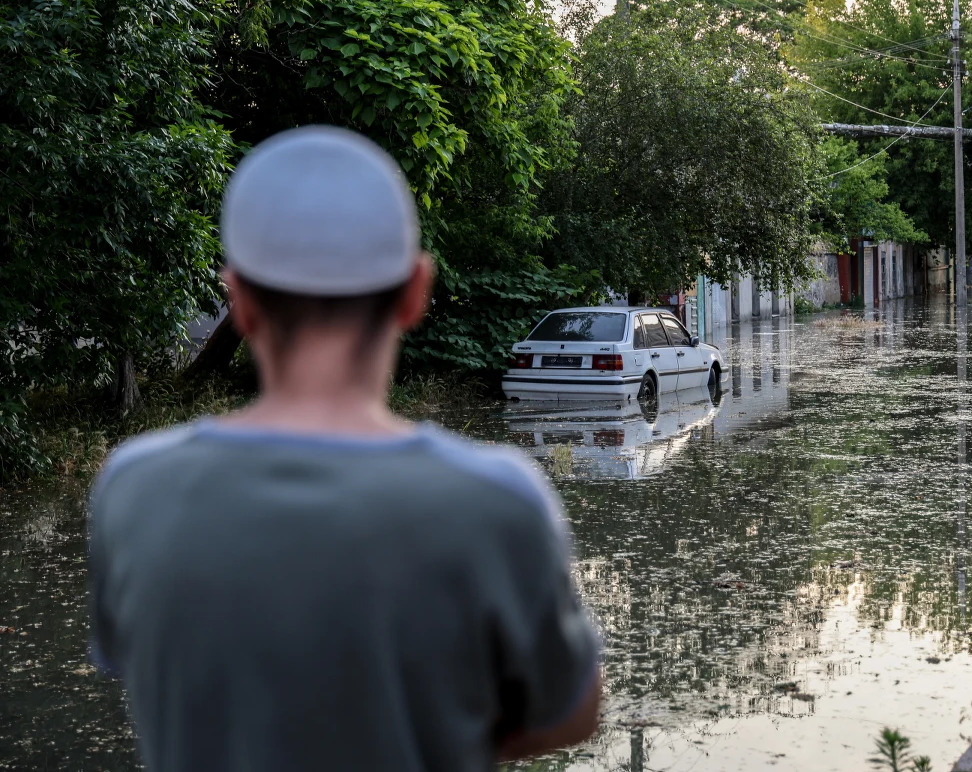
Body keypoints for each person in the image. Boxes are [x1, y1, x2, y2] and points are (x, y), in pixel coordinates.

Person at [88, 126, 601, 771]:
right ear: (416, 293)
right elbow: (571, 713)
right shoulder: (498, 500)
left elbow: (146, 675)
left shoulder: (134, 489)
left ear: (240, 304)